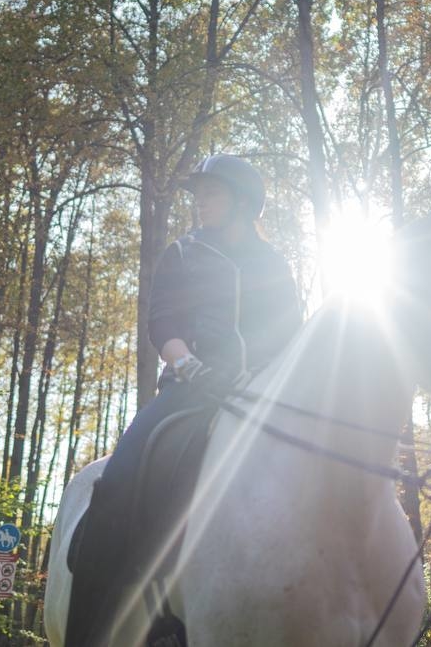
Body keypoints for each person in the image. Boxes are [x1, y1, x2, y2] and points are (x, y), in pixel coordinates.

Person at [65, 154, 303, 646]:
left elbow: (290, 334)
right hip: (190, 388)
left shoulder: (275, 264)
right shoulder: (183, 252)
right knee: (121, 477)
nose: (200, 203)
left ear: (240, 202)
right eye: (198, 194)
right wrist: (188, 365)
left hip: (261, 392)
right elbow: (163, 323)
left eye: (210, 193)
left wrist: (265, 378)